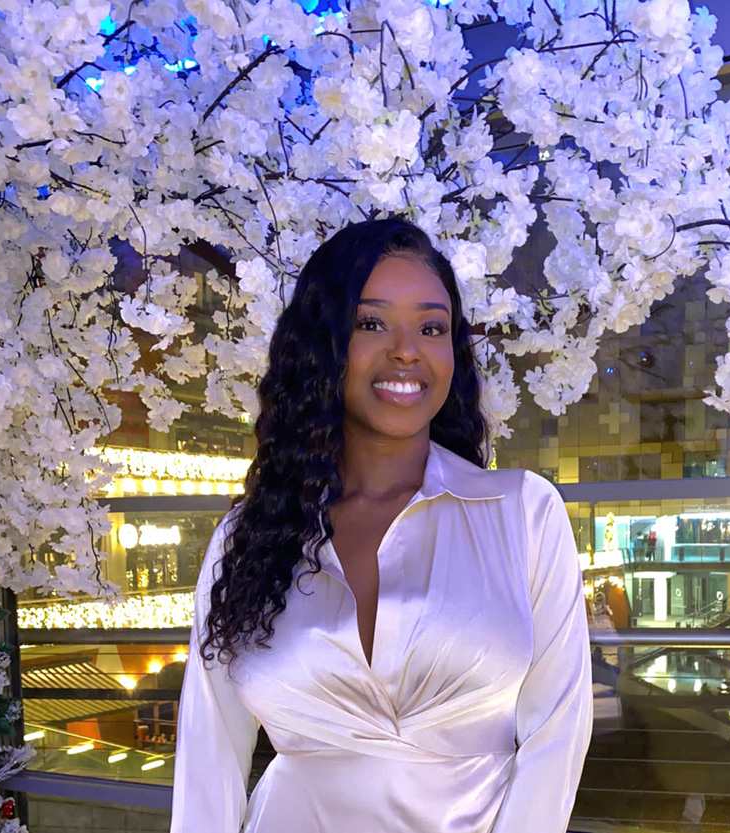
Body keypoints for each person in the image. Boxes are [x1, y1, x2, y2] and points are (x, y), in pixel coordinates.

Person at [169, 218, 593, 833]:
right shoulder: (247, 538)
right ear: (323, 345)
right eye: (371, 323)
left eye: (432, 327)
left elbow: (558, 732)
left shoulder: (523, 513)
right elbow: (209, 757)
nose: (406, 349)